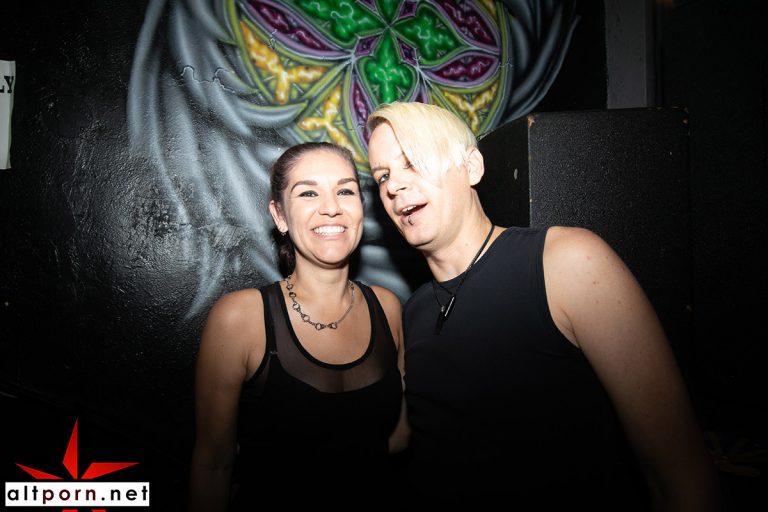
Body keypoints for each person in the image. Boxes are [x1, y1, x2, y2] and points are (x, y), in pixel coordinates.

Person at [366, 101, 720, 509]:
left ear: (472, 167)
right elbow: (409, 437)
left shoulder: (567, 263)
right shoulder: (415, 312)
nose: (394, 185)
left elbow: (683, 475)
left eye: (413, 161)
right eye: (382, 175)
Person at [188, 142, 407, 511]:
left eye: (345, 191)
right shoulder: (240, 319)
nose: (331, 207)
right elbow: (213, 466)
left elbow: (399, 437)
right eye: (308, 192)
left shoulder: (388, 307)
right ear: (280, 216)